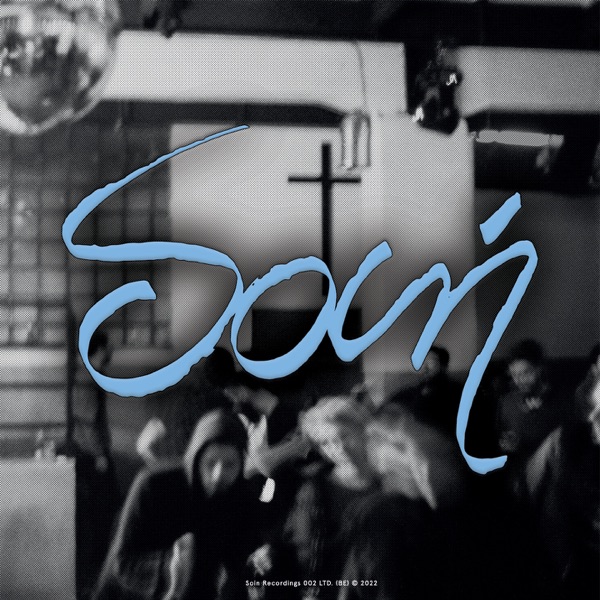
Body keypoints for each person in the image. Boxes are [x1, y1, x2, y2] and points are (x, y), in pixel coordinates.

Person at [93, 409, 264, 600]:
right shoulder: (154, 484)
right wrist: (171, 568)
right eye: (210, 463)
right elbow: (123, 563)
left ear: (241, 464)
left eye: (230, 465)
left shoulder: (242, 498)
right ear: (196, 458)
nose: (218, 475)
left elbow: (244, 563)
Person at [258, 396, 379, 600]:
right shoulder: (314, 488)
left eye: (344, 436)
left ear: (364, 432)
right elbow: (299, 546)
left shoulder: (393, 481)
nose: (339, 448)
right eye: (326, 443)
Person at [524, 371, 600, 599]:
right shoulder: (566, 440)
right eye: (592, 407)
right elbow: (531, 486)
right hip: (572, 558)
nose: (593, 418)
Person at [495, 339, 562, 498]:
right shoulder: (507, 401)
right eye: (514, 375)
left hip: (554, 472)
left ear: (539, 369)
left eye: (526, 373)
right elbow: (500, 434)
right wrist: (505, 444)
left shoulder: (560, 400)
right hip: (519, 472)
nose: (519, 380)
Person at [387, 346, 462, 436]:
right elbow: (394, 401)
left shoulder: (456, 392)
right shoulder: (414, 390)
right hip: (409, 436)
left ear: (443, 366)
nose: (425, 367)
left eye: (431, 362)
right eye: (422, 362)